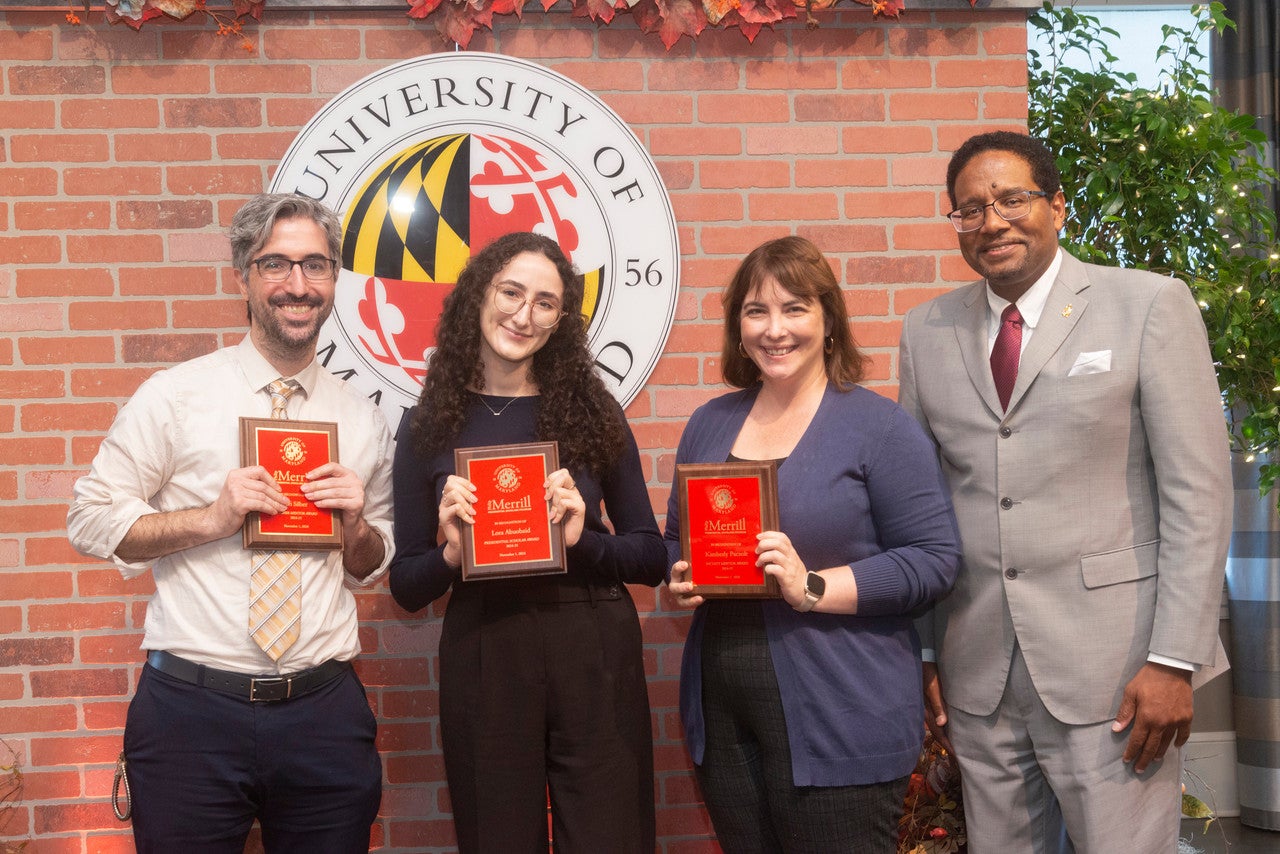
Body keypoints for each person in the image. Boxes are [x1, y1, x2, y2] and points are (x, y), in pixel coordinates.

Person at [897, 130, 1233, 853]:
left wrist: (1175, 659)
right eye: (969, 210)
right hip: (978, 672)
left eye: (1012, 199)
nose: (992, 221)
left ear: (1057, 206)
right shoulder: (927, 331)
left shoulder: (1147, 305)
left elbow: (1197, 496)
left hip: (1118, 671)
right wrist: (926, 654)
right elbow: (921, 507)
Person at [66, 193, 394, 852]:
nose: (297, 285)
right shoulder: (176, 395)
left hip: (323, 714)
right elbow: (91, 519)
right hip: (191, 712)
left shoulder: (361, 418)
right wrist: (213, 518)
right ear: (242, 274)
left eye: (315, 266)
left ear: (334, 281)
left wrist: (356, 525)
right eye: (276, 264)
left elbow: (370, 563)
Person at [664, 235, 961, 853]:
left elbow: (934, 560)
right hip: (724, 718)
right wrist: (681, 576)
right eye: (756, 311)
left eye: (795, 308)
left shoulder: (878, 428)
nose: (775, 329)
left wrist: (813, 586)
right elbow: (676, 538)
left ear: (829, 321)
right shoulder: (709, 423)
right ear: (737, 327)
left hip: (841, 715)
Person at [388, 232, 666, 853]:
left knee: (609, 838)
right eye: (511, 292)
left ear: (561, 319)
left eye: (546, 302)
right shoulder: (429, 420)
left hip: (593, 641)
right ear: (477, 296)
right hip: (485, 646)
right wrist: (452, 556)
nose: (524, 314)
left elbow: (651, 555)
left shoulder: (594, 410)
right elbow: (405, 585)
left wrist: (584, 541)